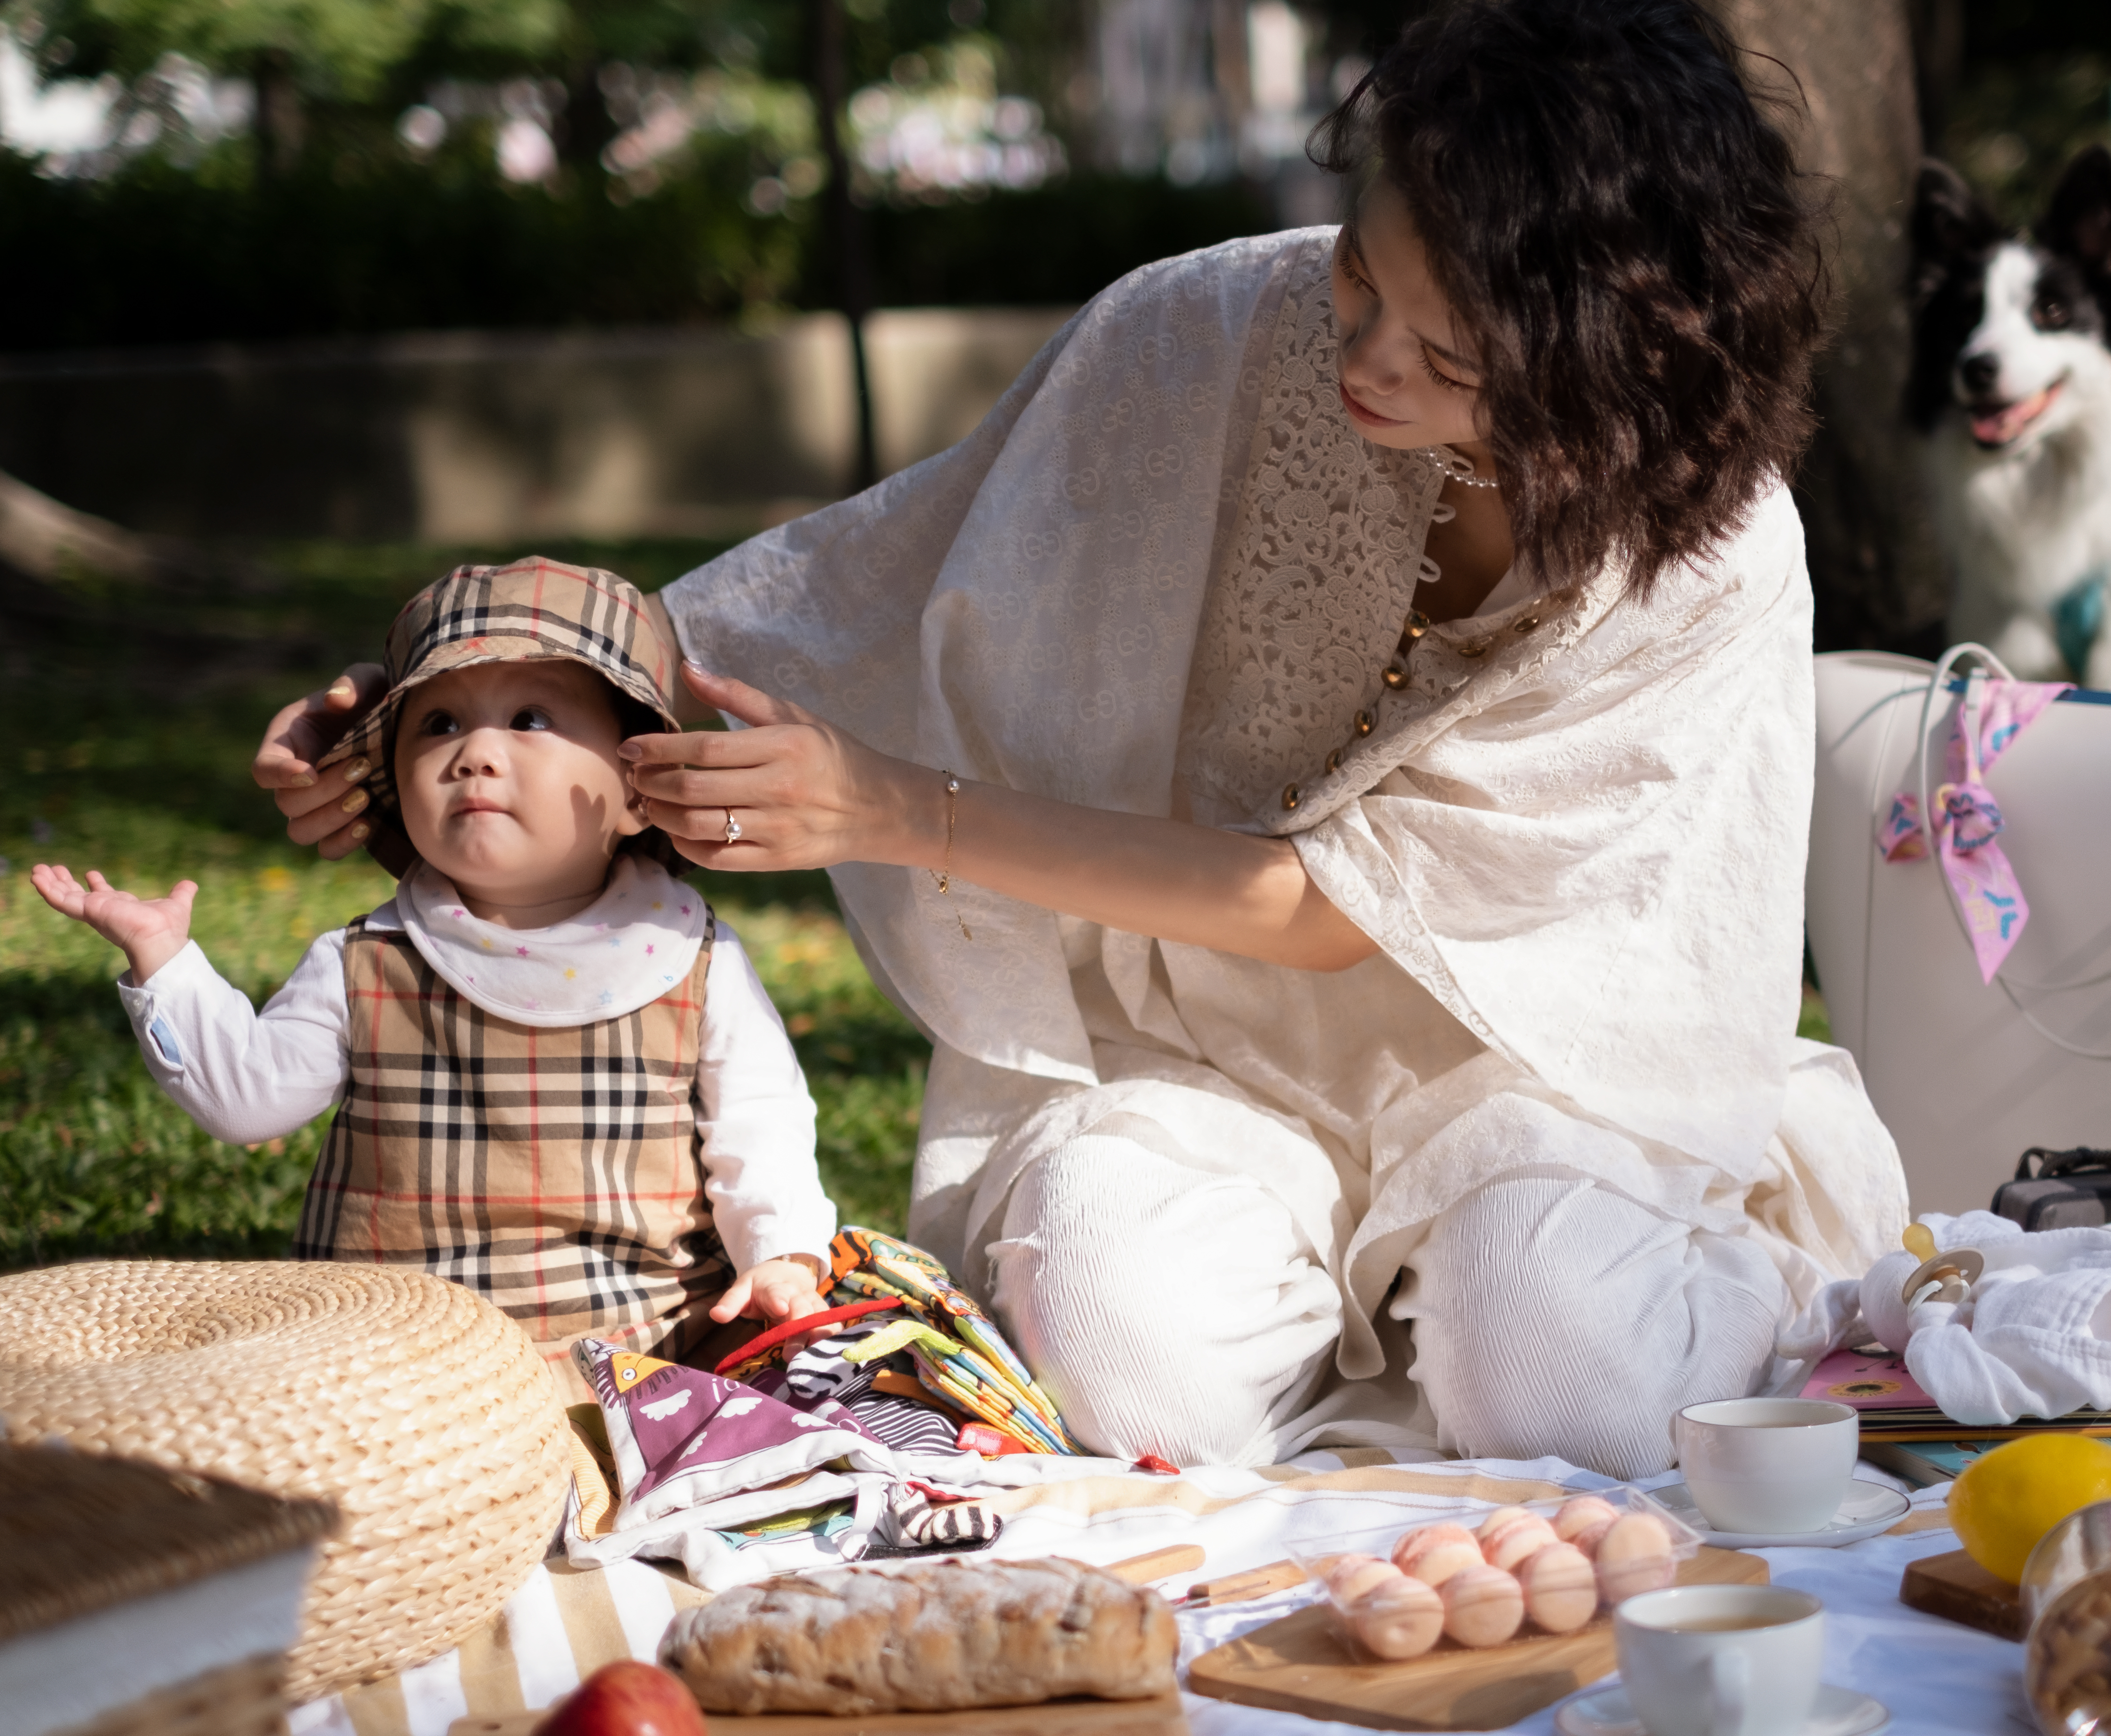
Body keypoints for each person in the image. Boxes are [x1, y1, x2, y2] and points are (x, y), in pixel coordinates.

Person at [256, 0, 1909, 1476]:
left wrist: (902, 810)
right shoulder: (1196, 336)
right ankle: (1363, 1352)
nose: (1358, 358)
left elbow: (1328, 907)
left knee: (1564, 1382)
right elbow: (876, 573)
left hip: (1531, 1074)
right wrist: (457, 687)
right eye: (1354, 277)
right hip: (1202, 1042)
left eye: (1447, 355)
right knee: (1113, 1346)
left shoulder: (1698, 554)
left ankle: (1692, 1274)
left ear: (1611, 367)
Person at [44, 558, 836, 1401]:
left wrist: (782, 1254)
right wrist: (166, 963)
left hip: (638, 1350)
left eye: (531, 717)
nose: (476, 753)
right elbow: (249, 1101)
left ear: (639, 785)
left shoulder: (691, 958)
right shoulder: (368, 961)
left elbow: (762, 1130)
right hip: (395, 1357)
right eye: (439, 724)